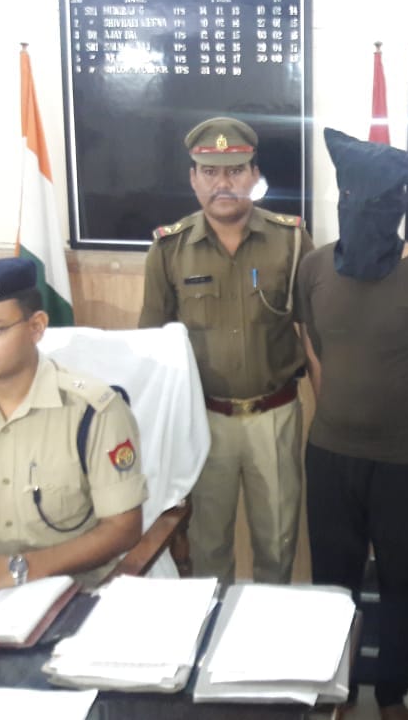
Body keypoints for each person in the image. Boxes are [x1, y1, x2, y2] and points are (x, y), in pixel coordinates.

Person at [298, 128, 408, 720]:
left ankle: (392, 695)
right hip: (330, 454)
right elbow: (314, 347)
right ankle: (336, 694)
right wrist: (340, 412)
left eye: (377, 202)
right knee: (331, 585)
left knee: (400, 583)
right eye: (353, 200)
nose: (364, 213)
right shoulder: (314, 267)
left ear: (399, 205)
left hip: (405, 461)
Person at [0, 258, 147, 600]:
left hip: (71, 586)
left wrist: (14, 570)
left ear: (36, 327)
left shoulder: (94, 411)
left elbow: (123, 528)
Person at [139, 116, 312, 584]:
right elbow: (152, 347)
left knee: (278, 544)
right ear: (193, 178)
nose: (223, 183)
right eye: (210, 172)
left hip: (275, 417)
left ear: (254, 175)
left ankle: (269, 628)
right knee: (207, 548)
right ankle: (211, 627)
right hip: (203, 420)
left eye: (235, 171)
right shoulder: (169, 249)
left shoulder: (292, 241)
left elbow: (312, 332)